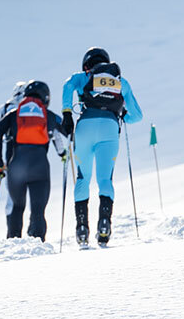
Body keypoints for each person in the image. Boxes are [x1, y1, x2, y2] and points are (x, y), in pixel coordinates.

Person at [61, 47, 144, 246]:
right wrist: (123, 115)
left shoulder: (83, 77)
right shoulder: (120, 82)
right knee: (105, 179)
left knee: (83, 177)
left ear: (86, 65)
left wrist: (66, 113)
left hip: (85, 128)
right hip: (109, 128)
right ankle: (104, 225)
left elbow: (67, 85)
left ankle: (82, 228)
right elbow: (138, 116)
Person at [0, 81, 66, 241]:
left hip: (17, 165)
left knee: (17, 207)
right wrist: (63, 152)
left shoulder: (13, 114)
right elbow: (67, 130)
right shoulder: (48, 114)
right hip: (40, 167)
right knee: (38, 210)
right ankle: (37, 244)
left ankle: (13, 242)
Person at [0, 81, 27, 219]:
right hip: (33, 153)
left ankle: (13, 232)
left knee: (12, 197)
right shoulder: (35, 107)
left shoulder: (6, 108)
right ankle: (35, 232)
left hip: (10, 155)